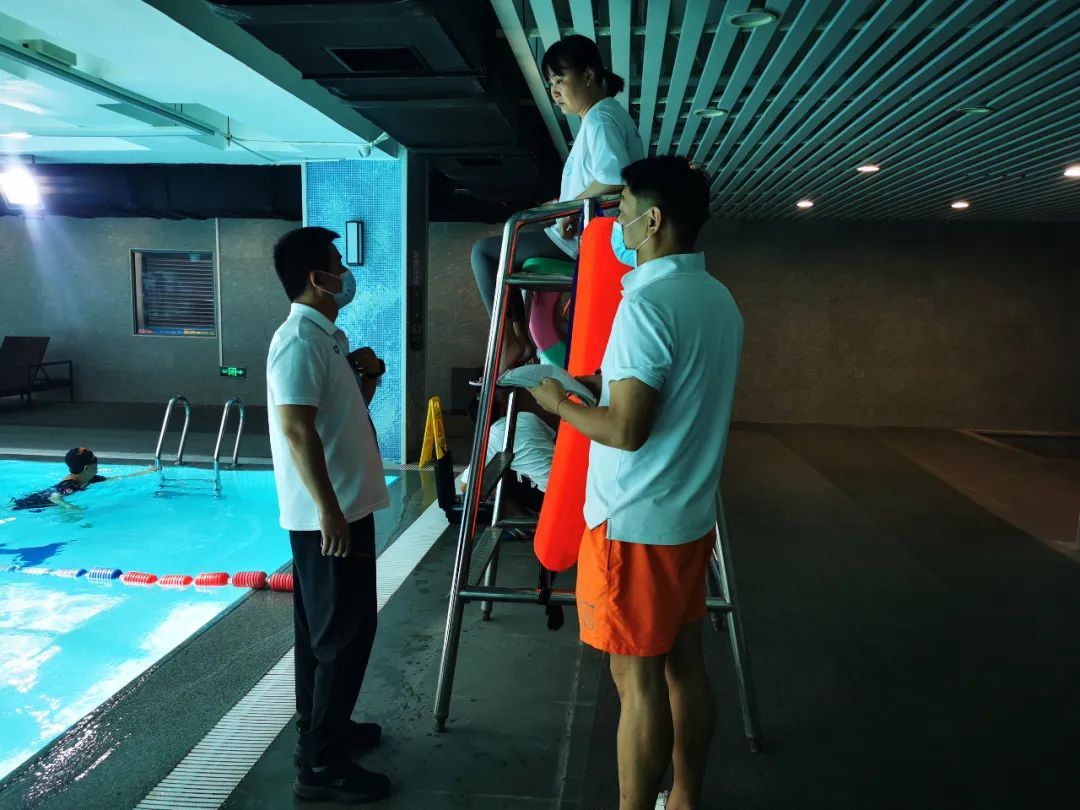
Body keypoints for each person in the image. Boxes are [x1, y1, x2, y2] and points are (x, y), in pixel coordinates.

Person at [526, 156, 742, 810]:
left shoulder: (646, 304)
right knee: (686, 666)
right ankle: (685, 799)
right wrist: (602, 386)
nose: (615, 224)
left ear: (652, 220)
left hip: (633, 523)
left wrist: (559, 403)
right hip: (687, 518)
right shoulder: (718, 299)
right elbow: (674, 394)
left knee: (636, 680)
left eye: (620, 210)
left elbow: (625, 430)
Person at [266, 226, 391, 804]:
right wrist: (329, 512)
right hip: (330, 516)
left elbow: (338, 420)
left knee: (325, 633)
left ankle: (324, 731)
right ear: (317, 278)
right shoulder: (299, 341)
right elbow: (296, 430)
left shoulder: (327, 337)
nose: (346, 274)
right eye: (339, 265)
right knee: (343, 635)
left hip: (341, 506)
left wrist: (368, 379)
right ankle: (321, 764)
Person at [471, 34, 644, 372]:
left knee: (485, 253)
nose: (554, 92)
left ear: (589, 75)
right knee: (506, 241)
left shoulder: (600, 118)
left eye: (560, 80)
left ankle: (512, 341)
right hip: (588, 236)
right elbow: (602, 178)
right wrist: (558, 205)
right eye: (550, 83)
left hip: (584, 241)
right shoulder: (605, 115)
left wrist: (569, 210)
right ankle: (517, 339)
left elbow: (614, 177)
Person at [459, 393, 556, 516]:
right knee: (508, 465)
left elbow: (466, 486)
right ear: (503, 407)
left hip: (548, 496)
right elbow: (554, 440)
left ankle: (526, 523)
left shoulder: (489, 438)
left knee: (498, 479)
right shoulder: (528, 416)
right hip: (567, 479)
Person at [8, 448, 155, 511]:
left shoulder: (89, 478)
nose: (97, 464)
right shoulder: (72, 484)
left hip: (35, 501)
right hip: (29, 505)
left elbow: (116, 478)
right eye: (95, 461)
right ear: (87, 468)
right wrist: (70, 508)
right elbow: (55, 497)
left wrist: (146, 472)